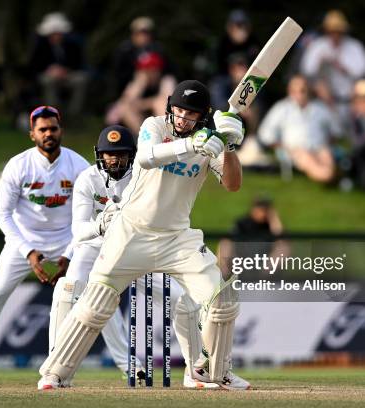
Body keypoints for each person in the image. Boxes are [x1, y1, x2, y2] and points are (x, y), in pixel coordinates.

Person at [38, 80, 250, 390]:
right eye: (178, 111)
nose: (182, 120)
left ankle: (211, 372)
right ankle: (55, 373)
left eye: (190, 115)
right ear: (169, 108)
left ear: (203, 116)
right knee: (96, 301)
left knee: (222, 298)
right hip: (131, 232)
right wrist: (193, 144)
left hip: (177, 238)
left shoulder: (210, 143)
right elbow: (148, 156)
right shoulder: (154, 126)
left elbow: (233, 184)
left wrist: (229, 146)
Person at [50, 125, 210, 388]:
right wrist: (101, 224)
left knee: (182, 300)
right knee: (68, 289)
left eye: (122, 154)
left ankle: (196, 372)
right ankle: (54, 371)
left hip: (137, 247)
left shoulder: (146, 173)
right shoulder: (87, 179)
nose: (115, 159)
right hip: (95, 248)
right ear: (99, 155)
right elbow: (78, 232)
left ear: (132, 155)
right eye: (109, 154)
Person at [0, 106, 89, 381]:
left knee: (92, 298)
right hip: (23, 240)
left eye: (53, 128)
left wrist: (71, 253)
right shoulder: (18, 165)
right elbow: (2, 214)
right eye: (42, 129)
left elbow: (89, 213)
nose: (48, 133)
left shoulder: (79, 165)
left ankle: (109, 366)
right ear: (32, 134)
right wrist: (28, 251)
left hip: (68, 238)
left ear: (61, 130)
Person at [258, 75, 339, 183]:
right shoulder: (282, 108)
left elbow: (335, 130)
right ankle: (329, 178)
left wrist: (328, 143)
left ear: (308, 90)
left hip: (319, 147)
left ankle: (331, 176)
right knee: (308, 159)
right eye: (295, 91)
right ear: (289, 91)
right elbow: (265, 133)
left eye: (302, 90)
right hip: (295, 150)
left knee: (326, 154)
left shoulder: (319, 108)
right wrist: (282, 146)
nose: (299, 94)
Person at [300, 10, 365, 119]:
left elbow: (364, 71)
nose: (335, 34)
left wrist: (342, 67)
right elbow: (307, 71)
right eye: (332, 31)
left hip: (351, 100)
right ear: (326, 30)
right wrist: (320, 62)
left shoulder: (355, 46)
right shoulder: (317, 46)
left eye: (338, 31)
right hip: (323, 101)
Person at [28, 13, 88, 116]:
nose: (56, 36)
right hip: (48, 76)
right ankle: (53, 112)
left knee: (81, 79)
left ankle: (73, 113)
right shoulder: (40, 47)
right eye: (53, 34)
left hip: (68, 75)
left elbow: (78, 64)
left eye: (58, 33)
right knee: (48, 81)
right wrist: (50, 70)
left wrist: (65, 70)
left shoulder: (72, 46)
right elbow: (34, 66)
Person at [105, 51, 176, 134]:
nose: (148, 73)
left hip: (162, 117)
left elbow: (169, 102)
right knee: (125, 107)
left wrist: (147, 103)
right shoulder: (138, 82)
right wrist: (140, 84)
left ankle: (166, 137)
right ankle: (144, 137)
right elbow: (126, 101)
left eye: (151, 69)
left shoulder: (166, 80)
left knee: (160, 104)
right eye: (144, 70)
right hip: (141, 117)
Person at [218, 196, 288, 277]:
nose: (262, 212)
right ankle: (223, 276)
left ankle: (263, 278)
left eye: (266, 209)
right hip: (242, 261)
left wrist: (273, 217)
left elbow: (281, 238)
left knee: (283, 247)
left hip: (264, 264)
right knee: (225, 243)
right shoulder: (243, 223)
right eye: (260, 208)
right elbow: (229, 239)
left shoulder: (271, 225)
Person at [110, 17, 172, 97]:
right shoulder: (124, 50)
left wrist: (156, 73)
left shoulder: (158, 49)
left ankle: (170, 106)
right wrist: (139, 74)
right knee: (141, 79)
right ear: (133, 34)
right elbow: (118, 75)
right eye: (140, 33)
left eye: (146, 33)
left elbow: (169, 70)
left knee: (169, 81)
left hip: (157, 85)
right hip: (133, 86)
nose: (143, 36)